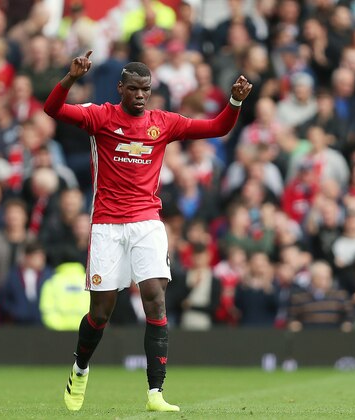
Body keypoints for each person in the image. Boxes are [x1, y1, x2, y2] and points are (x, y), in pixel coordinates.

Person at [43, 50, 252, 412]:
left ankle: (155, 393)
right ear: (120, 88)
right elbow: (53, 110)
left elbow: (217, 127)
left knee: (154, 297)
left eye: (147, 89)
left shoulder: (163, 122)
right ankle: (80, 369)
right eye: (135, 89)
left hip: (146, 223)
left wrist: (234, 100)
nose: (141, 95)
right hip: (107, 224)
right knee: (101, 313)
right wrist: (70, 78)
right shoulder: (100, 117)